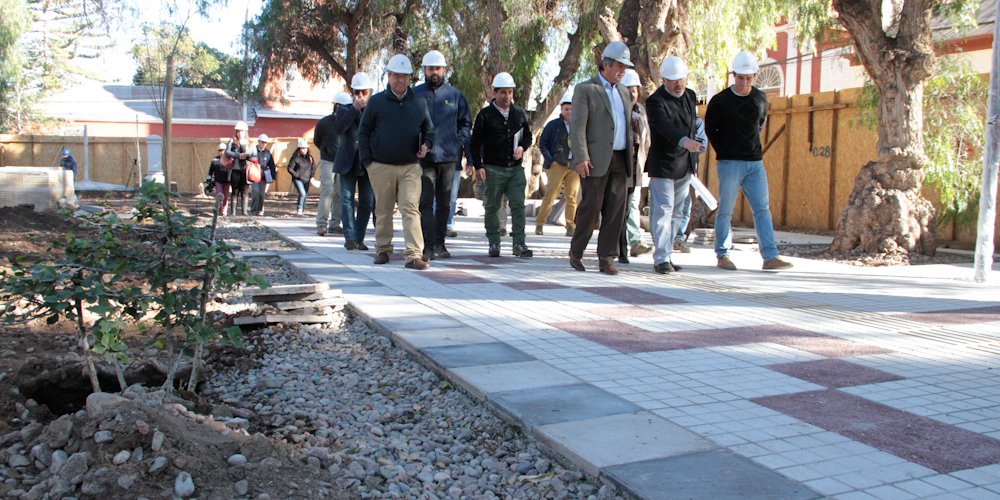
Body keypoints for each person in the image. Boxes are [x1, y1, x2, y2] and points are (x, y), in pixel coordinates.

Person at [705, 51, 793, 271]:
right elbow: (711, 129)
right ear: (734, 75)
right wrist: (725, 151)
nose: (744, 82)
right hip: (729, 162)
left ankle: (770, 256)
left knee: (762, 208)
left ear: (754, 76)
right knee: (725, 208)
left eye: (749, 78)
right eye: (740, 77)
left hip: (754, 162)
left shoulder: (760, 99)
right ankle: (723, 254)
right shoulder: (720, 101)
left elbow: (759, 124)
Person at [358, 53, 435, 270]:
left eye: (404, 76)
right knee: (383, 209)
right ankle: (383, 249)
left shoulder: (419, 103)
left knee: (410, 208)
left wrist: (426, 145)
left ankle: (413, 255)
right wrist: (368, 162)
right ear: (388, 76)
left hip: (410, 166)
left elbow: (429, 129)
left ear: (410, 78)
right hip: (380, 165)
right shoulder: (376, 102)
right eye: (395, 76)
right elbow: (363, 132)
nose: (400, 80)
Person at [568, 41, 635, 275]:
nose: (623, 70)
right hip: (594, 159)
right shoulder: (586, 89)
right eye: (619, 65)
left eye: (625, 66)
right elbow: (577, 128)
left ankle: (606, 258)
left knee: (616, 210)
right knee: (591, 207)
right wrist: (581, 156)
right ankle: (576, 252)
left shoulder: (625, 93)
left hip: (620, 159)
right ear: (606, 64)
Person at [645, 56, 703, 274]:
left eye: (681, 80)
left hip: (685, 163)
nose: (678, 85)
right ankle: (660, 258)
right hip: (663, 164)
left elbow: (692, 123)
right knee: (663, 210)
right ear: (663, 80)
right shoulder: (655, 101)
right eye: (672, 81)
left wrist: (698, 139)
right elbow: (663, 126)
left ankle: (667, 254)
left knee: (678, 211)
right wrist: (685, 141)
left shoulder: (690, 96)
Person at [414, 50, 472, 260]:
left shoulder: (455, 96)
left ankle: (440, 244)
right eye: (430, 69)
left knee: (445, 204)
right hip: (424, 158)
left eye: (438, 69)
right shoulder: (416, 94)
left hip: (449, 158)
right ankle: (427, 246)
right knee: (425, 203)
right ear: (424, 71)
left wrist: (458, 141)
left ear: (444, 70)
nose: (434, 72)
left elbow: (465, 123)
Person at [469, 72, 534, 258]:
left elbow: (527, 135)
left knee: (518, 205)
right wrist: (478, 166)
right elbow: (475, 143)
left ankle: (519, 243)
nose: (507, 97)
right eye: (503, 92)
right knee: (492, 206)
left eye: (510, 92)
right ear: (495, 93)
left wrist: (522, 146)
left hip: (515, 169)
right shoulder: (485, 115)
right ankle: (494, 242)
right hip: (493, 168)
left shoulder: (519, 113)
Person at [334, 72, 376, 251]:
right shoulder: (344, 108)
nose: (360, 96)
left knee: (367, 202)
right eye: (357, 92)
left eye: (364, 92)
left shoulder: (375, 109)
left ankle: (359, 237)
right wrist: (354, 109)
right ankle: (349, 237)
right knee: (347, 199)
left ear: (370, 92)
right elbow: (339, 128)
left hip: (367, 162)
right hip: (347, 161)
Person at [618, 68, 652, 263]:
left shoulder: (640, 111)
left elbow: (646, 140)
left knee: (632, 204)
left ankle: (635, 241)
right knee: (617, 208)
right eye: (628, 89)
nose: (632, 93)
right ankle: (616, 245)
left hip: (636, 167)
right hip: (619, 166)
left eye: (634, 89)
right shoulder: (616, 109)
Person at [535, 91, 579, 237]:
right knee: (551, 194)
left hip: (574, 165)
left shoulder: (579, 125)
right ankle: (540, 223)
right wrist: (550, 159)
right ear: (561, 110)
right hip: (557, 165)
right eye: (566, 109)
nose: (569, 111)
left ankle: (570, 226)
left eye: (572, 108)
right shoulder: (553, 125)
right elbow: (543, 143)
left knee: (572, 196)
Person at [314, 92, 352, 235]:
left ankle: (335, 224)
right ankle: (321, 223)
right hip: (328, 161)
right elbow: (317, 140)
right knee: (327, 191)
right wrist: (326, 151)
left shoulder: (349, 123)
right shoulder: (324, 122)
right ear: (336, 106)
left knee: (340, 193)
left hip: (342, 162)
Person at [672, 116, 707, 253]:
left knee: (685, 206)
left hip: (687, 169)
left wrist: (687, 144)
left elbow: (702, 145)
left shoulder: (697, 122)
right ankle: (663, 239)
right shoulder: (668, 118)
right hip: (667, 168)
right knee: (664, 206)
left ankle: (679, 238)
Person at [224, 121, 255, 216]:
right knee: (235, 192)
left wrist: (247, 156)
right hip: (235, 170)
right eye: (238, 131)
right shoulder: (232, 141)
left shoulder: (250, 143)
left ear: (245, 132)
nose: (240, 133)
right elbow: (227, 152)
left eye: (242, 131)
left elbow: (255, 156)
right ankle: (233, 212)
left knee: (245, 192)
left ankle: (244, 212)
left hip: (246, 171)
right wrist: (238, 155)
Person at [287, 139, 316, 215]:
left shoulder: (310, 158)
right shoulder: (295, 158)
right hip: (297, 179)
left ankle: (302, 210)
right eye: (303, 148)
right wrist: (296, 175)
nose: (304, 150)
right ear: (299, 149)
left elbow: (313, 168)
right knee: (302, 193)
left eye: (306, 148)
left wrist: (312, 177)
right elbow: (290, 168)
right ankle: (299, 209)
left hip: (307, 179)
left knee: (305, 194)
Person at [250, 133, 276, 216]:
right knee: (255, 191)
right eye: (262, 142)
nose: (264, 144)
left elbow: (272, 165)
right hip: (253, 176)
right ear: (258, 142)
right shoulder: (253, 151)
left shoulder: (268, 153)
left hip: (263, 177)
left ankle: (260, 209)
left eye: (265, 143)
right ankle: (253, 210)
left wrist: (273, 176)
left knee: (261, 194)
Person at [207, 142, 231, 216]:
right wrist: (209, 180)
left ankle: (224, 212)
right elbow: (210, 171)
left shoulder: (229, 160)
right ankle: (217, 209)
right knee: (219, 195)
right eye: (220, 150)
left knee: (226, 197)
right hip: (218, 181)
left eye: (223, 150)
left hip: (227, 182)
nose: (221, 152)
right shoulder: (214, 160)